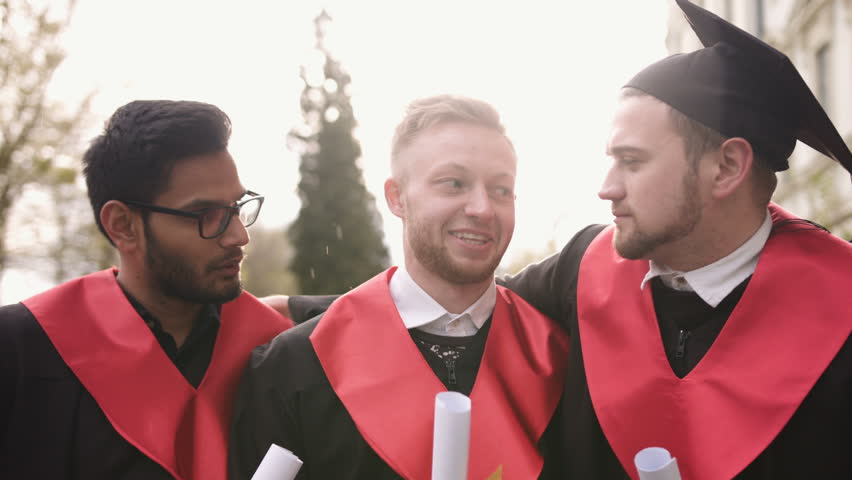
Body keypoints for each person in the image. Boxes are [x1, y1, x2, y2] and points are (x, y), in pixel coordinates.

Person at [274, 2, 852, 478]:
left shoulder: (838, 308)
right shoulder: (589, 268)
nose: (605, 189)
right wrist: (293, 311)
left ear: (726, 169)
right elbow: (460, 299)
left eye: (631, 162)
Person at [229, 95, 569, 480]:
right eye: (454, 183)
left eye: (501, 190)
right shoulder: (294, 365)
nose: (483, 208)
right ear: (397, 198)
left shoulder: (560, 359)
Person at [0, 100, 293, 480]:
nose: (239, 235)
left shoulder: (277, 353)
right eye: (206, 215)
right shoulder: (21, 353)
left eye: (237, 207)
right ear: (123, 225)